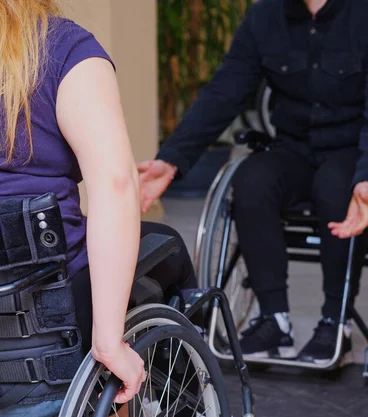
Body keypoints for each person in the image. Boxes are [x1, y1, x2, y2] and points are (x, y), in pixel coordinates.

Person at [0, 0, 205, 417]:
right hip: (49, 323)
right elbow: (116, 184)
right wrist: (108, 339)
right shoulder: (64, 50)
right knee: (169, 255)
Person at [139, 0, 368, 364]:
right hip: (294, 148)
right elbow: (224, 92)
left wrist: (366, 175)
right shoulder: (266, 15)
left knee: (337, 186)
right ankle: (274, 319)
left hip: (351, 151)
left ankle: (333, 320)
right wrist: (171, 160)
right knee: (252, 179)